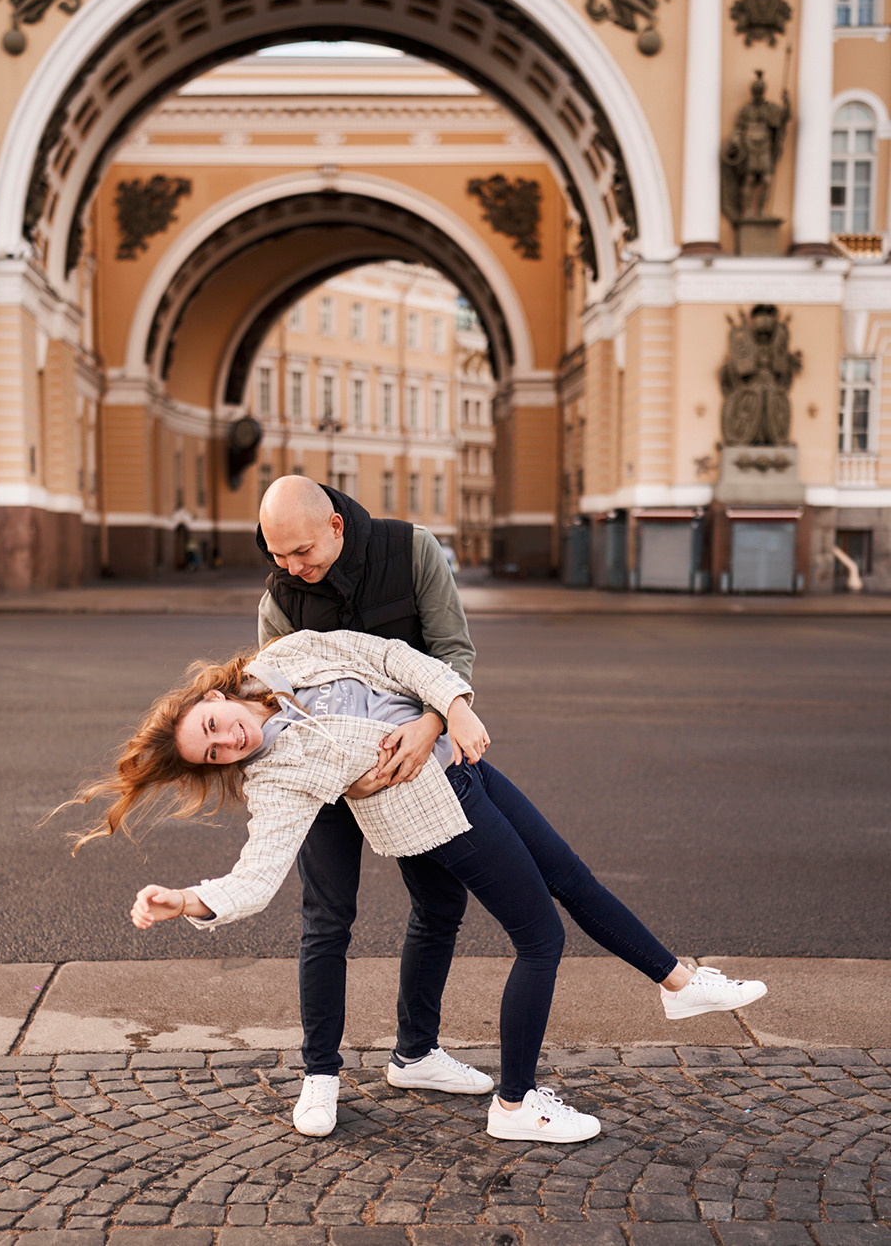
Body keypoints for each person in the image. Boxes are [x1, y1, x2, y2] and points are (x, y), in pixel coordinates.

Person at [67, 628, 768, 1144]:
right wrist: (186, 900)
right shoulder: (277, 777)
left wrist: (452, 705)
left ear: (215, 697)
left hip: (462, 764)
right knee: (540, 937)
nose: (228, 742)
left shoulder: (284, 660)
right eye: (213, 753)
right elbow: (256, 877)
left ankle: (678, 983)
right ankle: (518, 1106)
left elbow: (389, 657)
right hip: (438, 812)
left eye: (214, 726)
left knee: (571, 878)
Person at [256, 475, 486, 1136]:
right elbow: (276, 711)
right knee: (326, 917)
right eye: (278, 556)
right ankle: (320, 1075)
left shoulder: (412, 552)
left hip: (414, 757)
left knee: (441, 902)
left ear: (336, 526)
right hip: (332, 776)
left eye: (302, 552)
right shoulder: (279, 597)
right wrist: (334, 777)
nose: (292, 568)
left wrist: (432, 728)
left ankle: (416, 1053)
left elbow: (452, 654)